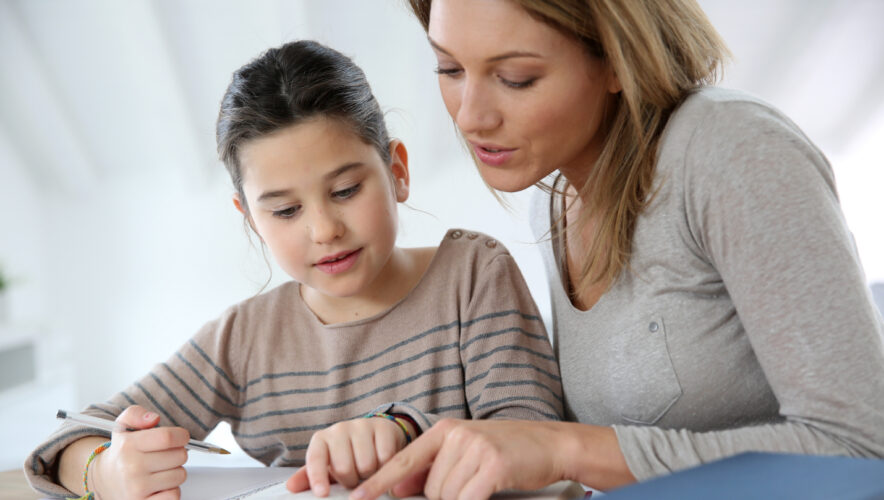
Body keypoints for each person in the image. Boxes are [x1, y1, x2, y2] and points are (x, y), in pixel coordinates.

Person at [344, 1, 884, 499]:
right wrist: (402, 430)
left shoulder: (732, 151)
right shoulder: (556, 202)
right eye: (450, 69)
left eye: (516, 78)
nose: (470, 116)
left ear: (617, 60)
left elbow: (862, 450)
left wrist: (567, 448)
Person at [23, 39, 563, 499]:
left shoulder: (472, 276)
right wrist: (106, 471)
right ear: (251, 219)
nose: (324, 229)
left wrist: (404, 431)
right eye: (284, 211)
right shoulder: (246, 337)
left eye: (347, 190)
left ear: (397, 171)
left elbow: (540, 445)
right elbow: (72, 438)